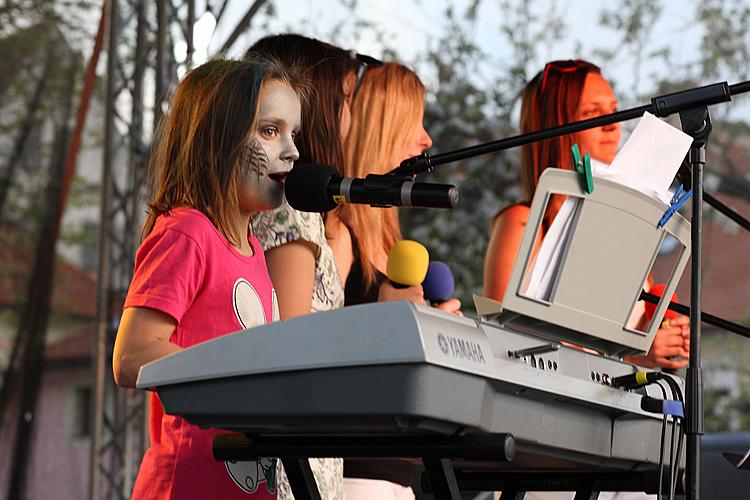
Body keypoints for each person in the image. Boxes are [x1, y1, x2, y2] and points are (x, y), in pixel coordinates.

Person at [112, 57, 306, 499]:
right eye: (270, 131)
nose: (292, 151)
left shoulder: (255, 250)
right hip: (186, 485)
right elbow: (131, 356)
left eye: (293, 134)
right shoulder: (189, 231)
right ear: (216, 138)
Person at [483, 59, 689, 371]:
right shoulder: (522, 222)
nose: (613, 124)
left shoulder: (627, 231)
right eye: (592, 113)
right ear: (555, 127)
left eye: (615, 110)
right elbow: (501, 344)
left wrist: (664, 341)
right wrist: (630, 355)